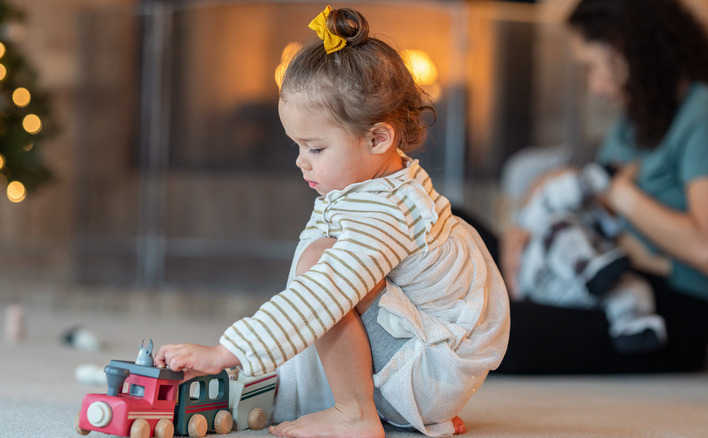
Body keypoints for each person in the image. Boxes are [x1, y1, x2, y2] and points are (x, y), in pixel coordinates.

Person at [154, 6, 510, 437]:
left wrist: (228, 351)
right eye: (297, 146)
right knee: (318, 267)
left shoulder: (384, 209)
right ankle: (372, 406)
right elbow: (305, 298)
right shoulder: (375, 185)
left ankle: (355, 414)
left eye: (316, 148)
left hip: (424, 373)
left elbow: (320, 292)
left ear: (378, 138)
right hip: (422, 364)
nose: (301, 162)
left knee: (321, 264)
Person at [498, 0, 708, 374]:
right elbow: (591, 195)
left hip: (671, 306)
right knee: (455, 219)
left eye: (591, 67)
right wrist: (524, 225)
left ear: (627, 51)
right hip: (596, 275)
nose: (594, 87)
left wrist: (623, 195)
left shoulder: (701, 113)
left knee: (494, 332)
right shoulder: (633, 123)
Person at [516, 162, 667, 354]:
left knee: (628, 284)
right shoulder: (546, 214)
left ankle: (632, 327)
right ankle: (586, 269)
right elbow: (559, 193)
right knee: (561, 228)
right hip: (542, 278)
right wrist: (596, 178)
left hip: (575, 292)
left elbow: (612, 233)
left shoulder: (594, 222)